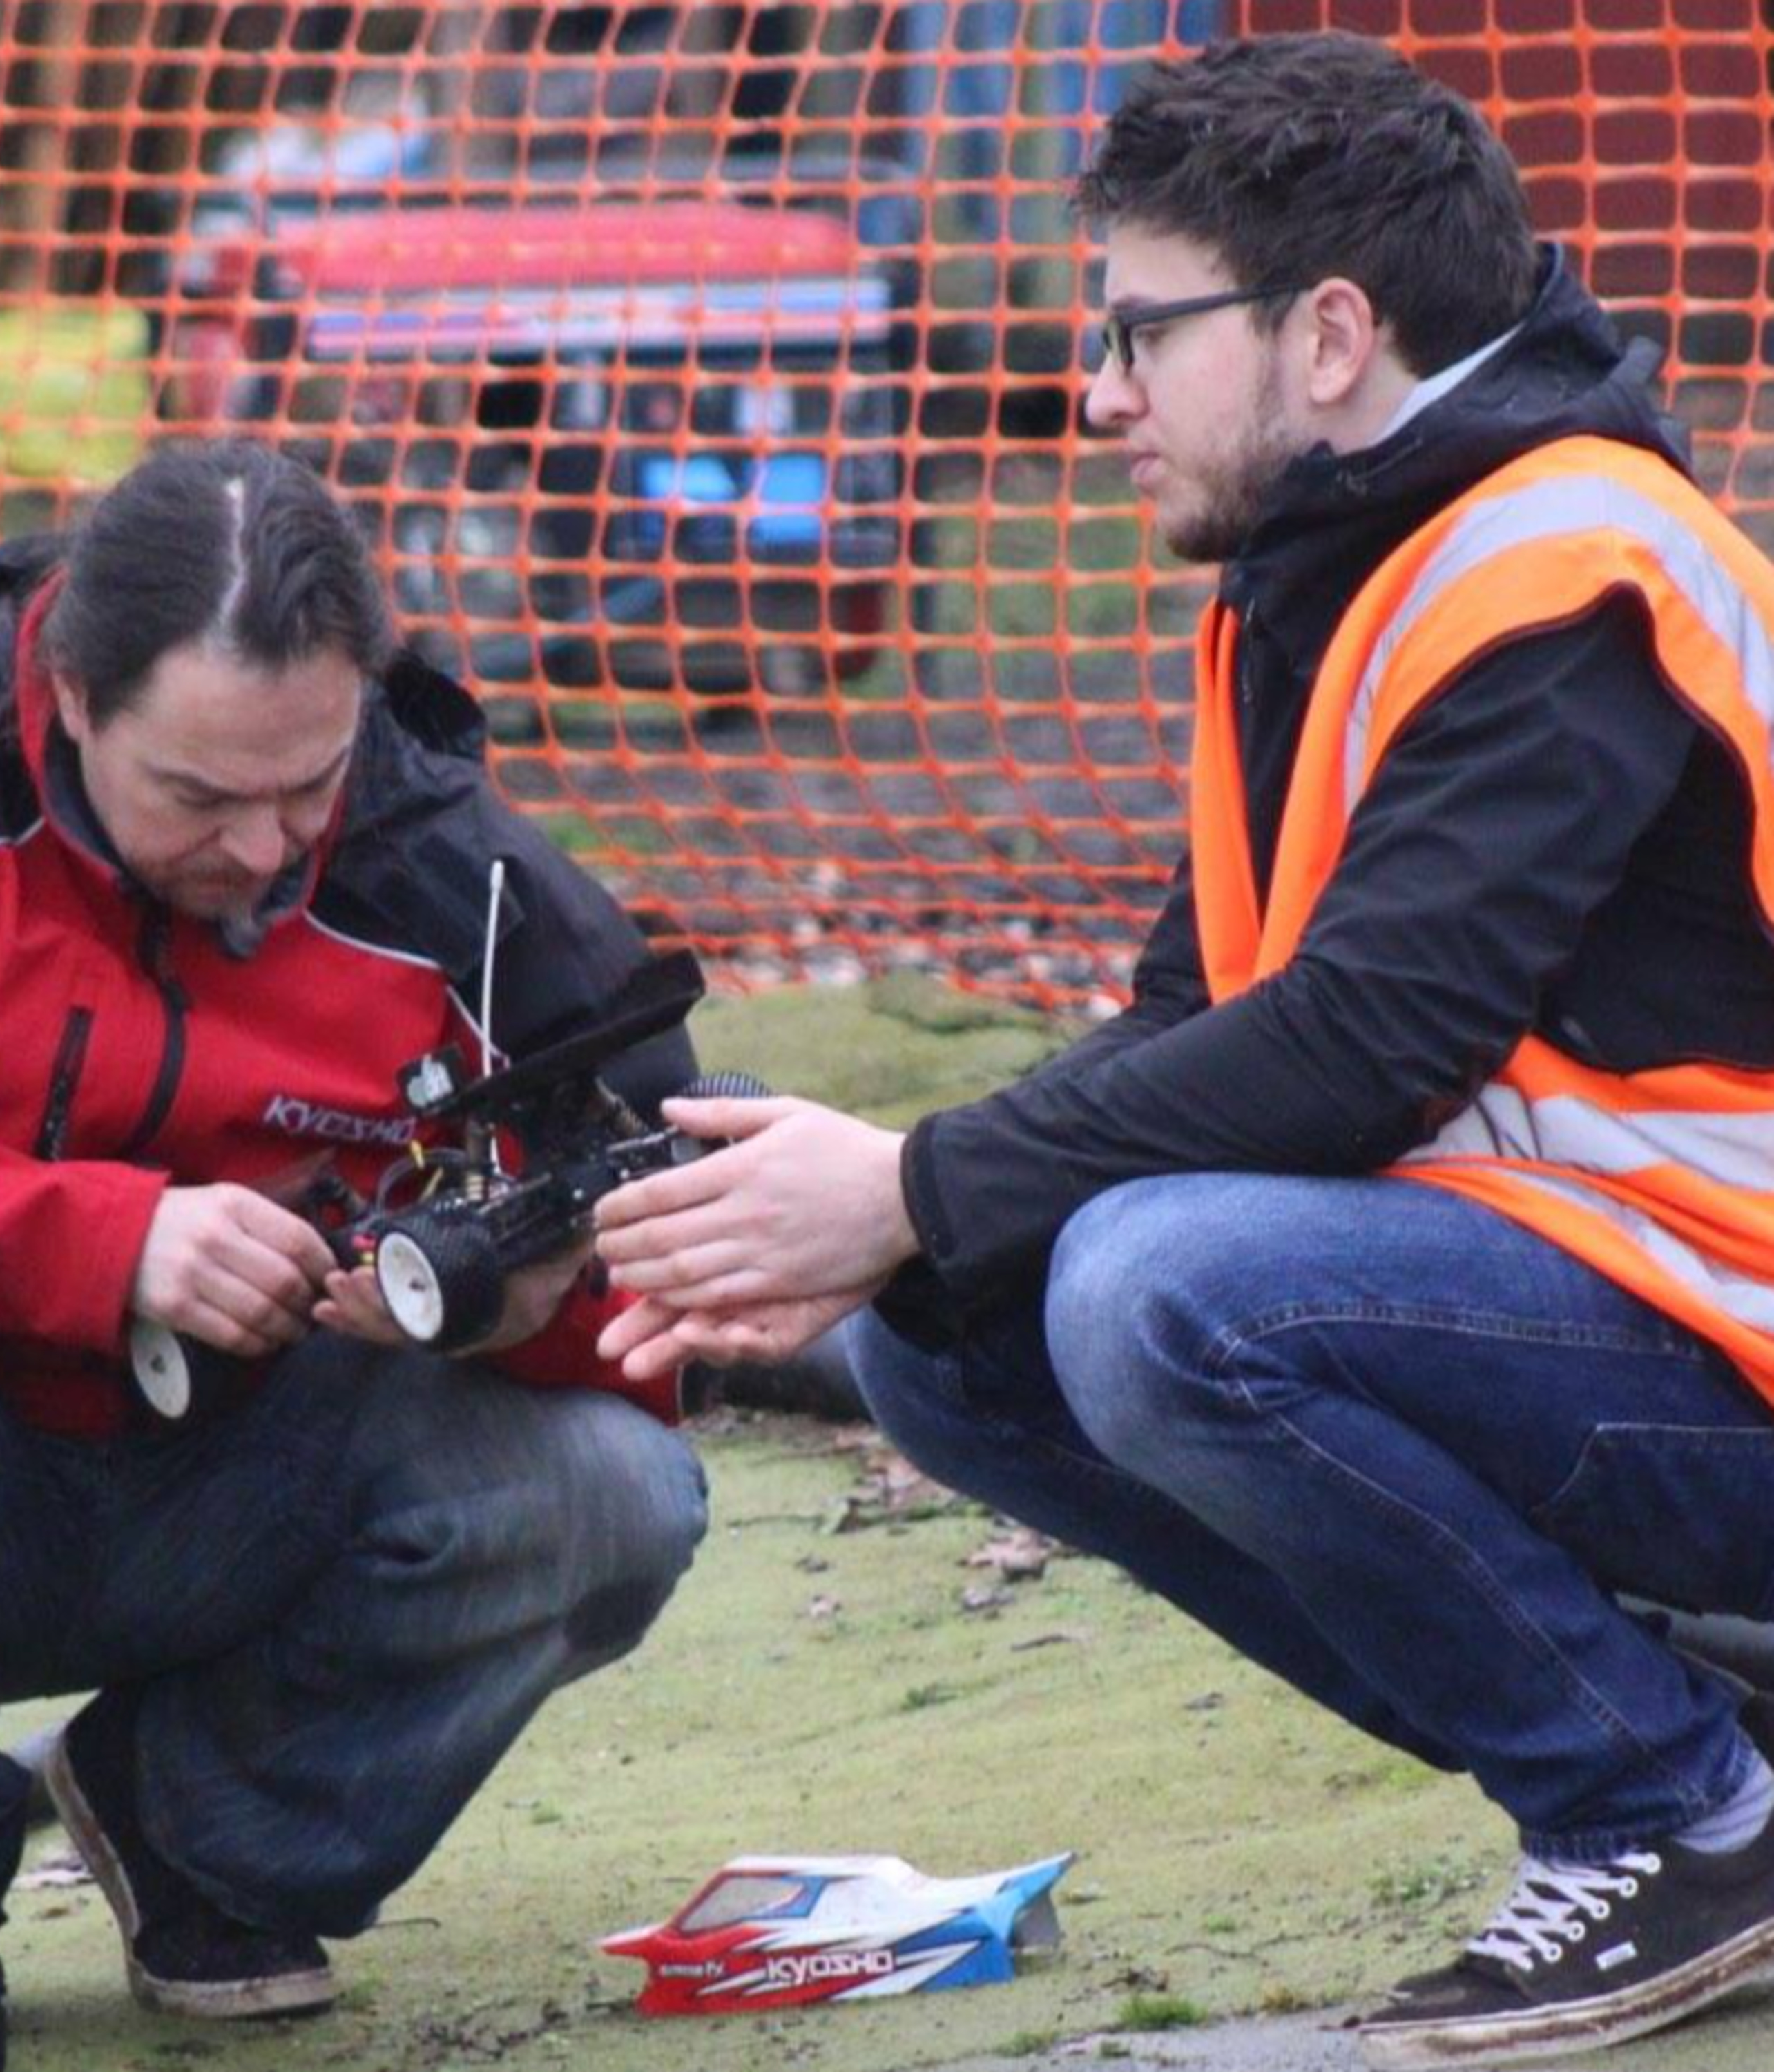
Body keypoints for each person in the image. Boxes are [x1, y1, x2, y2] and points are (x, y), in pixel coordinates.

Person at [593, 31, 1774, 2068]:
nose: (1098, 393)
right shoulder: (1339, 561)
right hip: (1645, 1336)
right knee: (951, 1330)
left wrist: (904, 1183)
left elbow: (1356, 1049)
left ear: (1329, 332)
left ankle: (1670, 1817)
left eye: (1142, 330)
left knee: (1157, 1290)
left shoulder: (1566, 553)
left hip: (1727, 1347)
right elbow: (1195, 1015)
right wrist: (874, 1225)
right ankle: (1696, 1743)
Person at [0, 439, 707, 2018]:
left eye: (311, 785)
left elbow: (672, 1222)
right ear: (73, 694)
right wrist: (106, 1241)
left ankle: (201, 1843)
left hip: (249, 1486)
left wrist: (515, 1303)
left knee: (623, 1492)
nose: (261, 849)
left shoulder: (450, 859)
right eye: (199, 795)